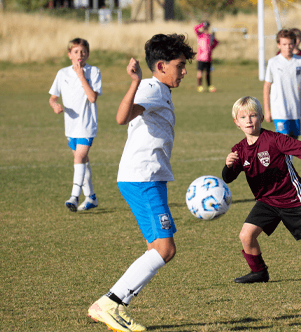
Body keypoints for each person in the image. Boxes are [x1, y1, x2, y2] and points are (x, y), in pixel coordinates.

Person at [88, 34, 196, 332]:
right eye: (180, 65)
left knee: (156, 249)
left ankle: (115, 306)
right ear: (160, 66)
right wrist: (134, 82)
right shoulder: (150, 87)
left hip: (148, 178)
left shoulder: (159, 89)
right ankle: (108, 303)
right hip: (142, 178)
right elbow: (122, 116)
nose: (184, 71)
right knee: (165, 249)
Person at [222, 96, 301, 284]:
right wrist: (228, 165)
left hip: (293, 199)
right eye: (243, 117)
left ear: (261, 117)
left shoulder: (275, 140)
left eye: (253, 115)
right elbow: (228, 178)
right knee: (246, 235)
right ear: (236, 122)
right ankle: (259, 272)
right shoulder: (239, 150)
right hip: (267, 201)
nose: (248, 120)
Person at [49, 37, 102, 212]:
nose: (80, 55)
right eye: (76, 52)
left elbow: (92, 97)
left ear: (88, 54)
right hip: (70, 126)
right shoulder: (62, 73)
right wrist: (55, 105)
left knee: (79, 157)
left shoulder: (93, 72)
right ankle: (91, 198)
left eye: (84, 52)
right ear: (69, 54)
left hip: (86, 124)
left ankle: (74, 196)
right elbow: (53, 97)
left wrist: (81, 76)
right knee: (83, 161)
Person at [263, 29, 301, 140]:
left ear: (295, 44)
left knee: (294, 142)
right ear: (278, 45)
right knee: (284, 140)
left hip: (295, 109)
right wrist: (267, 110)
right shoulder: (273, 62)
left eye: (290, 44)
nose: (287, 47)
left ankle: (284, 158)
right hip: (279, 110)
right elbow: (267, 86)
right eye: (284, 44)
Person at [194, 21, 219, 93]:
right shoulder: (200, 35)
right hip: (201, 58)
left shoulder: (210, 36)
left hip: (208, 58)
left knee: (208, 73)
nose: (206, 29)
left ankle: (209, 86)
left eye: (207, 27)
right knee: (200, 72)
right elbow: (195, 28)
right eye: (205, 27)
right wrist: (202, 24)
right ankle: (200, 86)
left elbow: (216, 42)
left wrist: (212, 47)